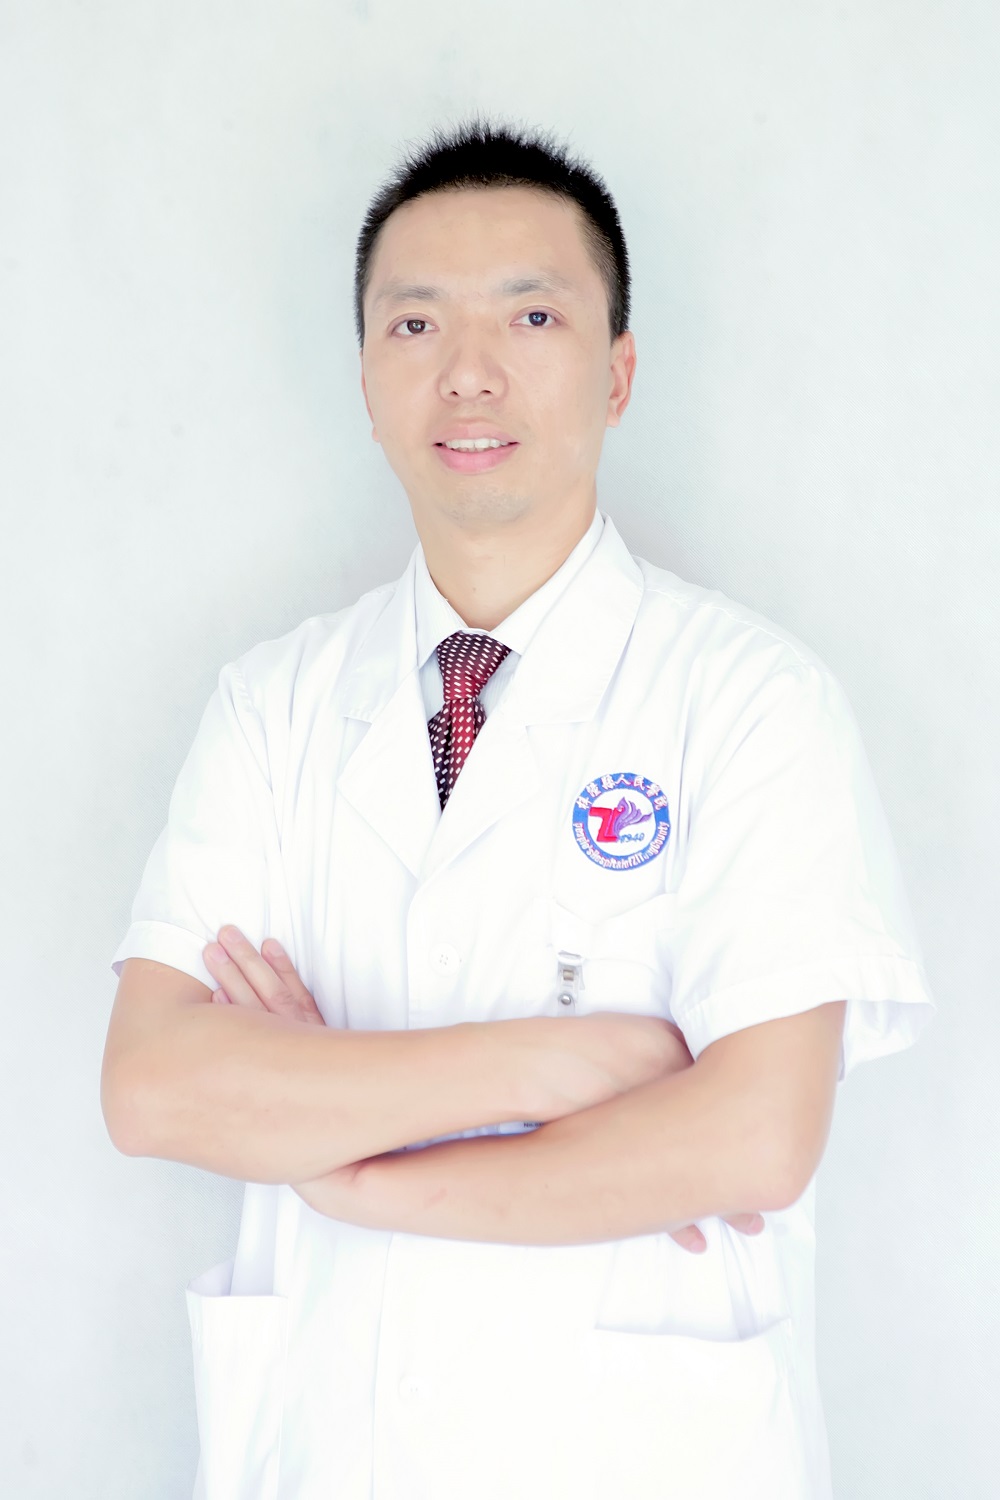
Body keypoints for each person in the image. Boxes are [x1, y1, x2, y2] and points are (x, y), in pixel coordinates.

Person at [102, 115, 936, 1500]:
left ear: (618, 373)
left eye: (532, 316)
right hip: (333, 1448)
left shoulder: (751, 697)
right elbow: (153, 1085)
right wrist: (554, 1068)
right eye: (415, 323)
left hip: (639, 1456)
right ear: (367, 382)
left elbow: (753, 1136)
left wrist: (350, 1170)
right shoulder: (274, 705)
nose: (470, 371)